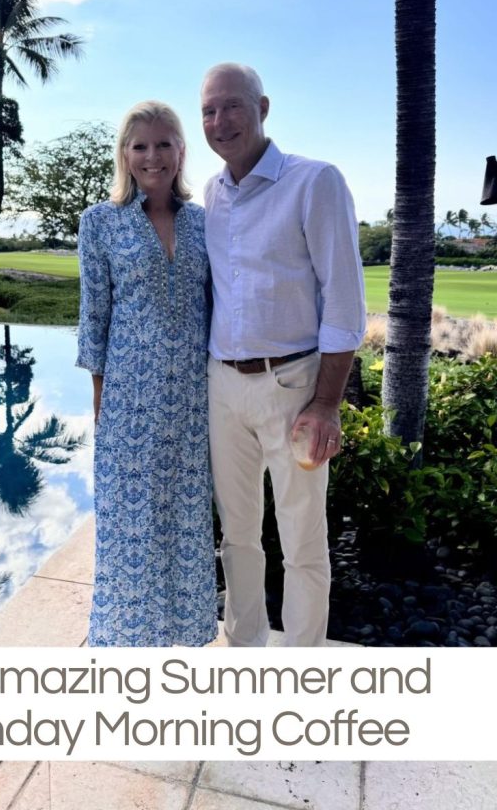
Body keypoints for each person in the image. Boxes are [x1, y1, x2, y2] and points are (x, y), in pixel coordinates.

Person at [201, 63, 366, 647]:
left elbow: (346, 305)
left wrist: (326, 404)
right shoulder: (211, 194)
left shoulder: (315, 181)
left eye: (232, 106)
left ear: (263, 107)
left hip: (294, 388)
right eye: (209, 111)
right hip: (223, 388)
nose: (219, 122)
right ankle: (244, 647)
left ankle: (302, 669)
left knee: (301, 539)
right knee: (238, 535)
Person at [76, 100, 218, 647]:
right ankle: (127, 642)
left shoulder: (206, 223)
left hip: (193, 398)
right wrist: (99, 398)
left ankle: (182, 635)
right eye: (140, 146)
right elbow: (94, 316)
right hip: (129, 400)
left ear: (181, 151)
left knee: (183, 519)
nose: (152, 156)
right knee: (129, 527)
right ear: (125, 155)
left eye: (164, 144)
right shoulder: (100, 222)